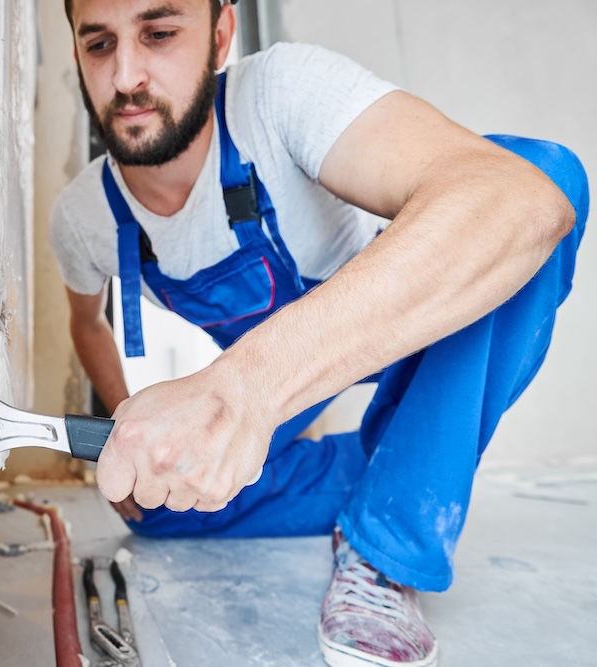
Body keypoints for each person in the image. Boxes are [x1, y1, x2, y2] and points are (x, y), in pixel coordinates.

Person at [50, 0, 588, 665]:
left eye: (159, 34)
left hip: (397, 322)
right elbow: (85, 322)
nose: (126, 76)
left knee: (538, 179)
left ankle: (386, 546)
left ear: (220, 36)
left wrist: (243, 391)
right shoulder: (81, 216)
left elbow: (517, 195)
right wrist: (126, 438)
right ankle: (398, 467)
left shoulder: (278, 95)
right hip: (274, 371)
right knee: (161, 503)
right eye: (99, 45)